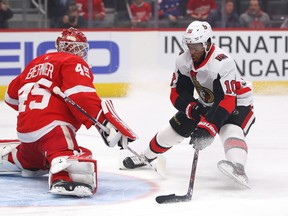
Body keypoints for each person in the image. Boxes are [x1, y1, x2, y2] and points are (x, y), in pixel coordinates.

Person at [1, 27, 134, 197]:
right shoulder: (73, 62)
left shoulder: (35, 62)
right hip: (53, 129)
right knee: (64, 151)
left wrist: (32, 113)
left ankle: (12, 158)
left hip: (25, 132)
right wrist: (104, 123)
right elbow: (81, 96)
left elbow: (11, 97)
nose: (80, 52)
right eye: (79, 47)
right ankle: (63, 177)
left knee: (29, 158)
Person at [123, 21, 256, 188]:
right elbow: (177, 93)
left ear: (208, 44)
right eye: (190, 46)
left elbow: (227, 100)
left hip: (238, 103)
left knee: (229, 129)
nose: (192, 51)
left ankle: (238, 168)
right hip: (207, 101)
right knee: (176, 127)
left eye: (197, 46)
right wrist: (192, 108)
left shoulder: (222, 62)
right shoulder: (183, 61)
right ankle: (146, 156)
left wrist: (208, 128)